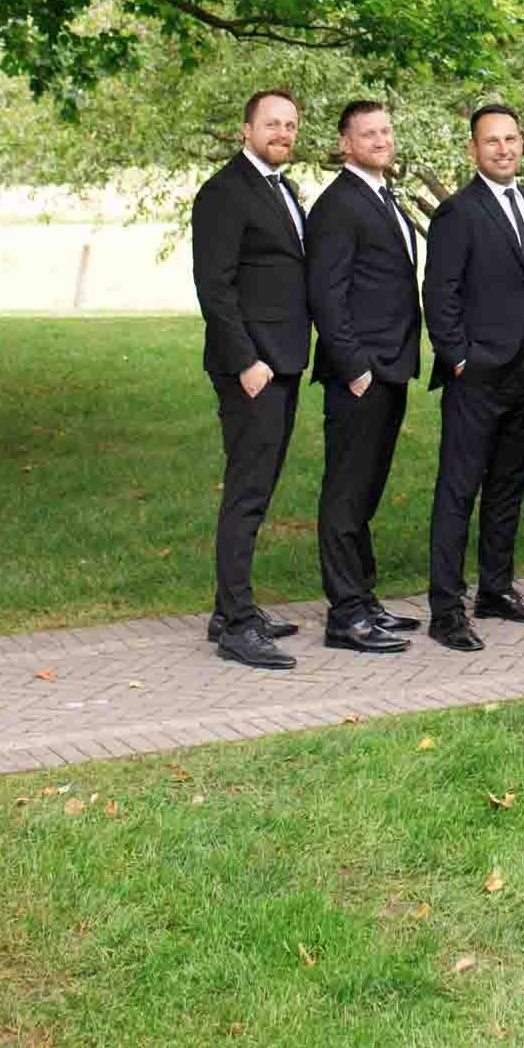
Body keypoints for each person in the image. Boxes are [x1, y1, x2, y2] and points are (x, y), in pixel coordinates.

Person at [421, 104, 524, 652]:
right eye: (491, 141)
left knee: (508, 486)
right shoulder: (459, 212)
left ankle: (496, 590)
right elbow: (440, 291)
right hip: (476, 374)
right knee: (459, 490)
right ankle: (446, 609)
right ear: (474, 150)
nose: (504, 149)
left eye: (511, 139)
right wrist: (458, 357)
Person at [191, 89, 311, 672]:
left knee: (258, 492)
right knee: (245, 495)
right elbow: (214, 287)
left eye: (290, 125)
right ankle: (237, 627)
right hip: (252, 371)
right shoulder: (223, 193)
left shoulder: (283, 189)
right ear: (246, 129)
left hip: (284, 362)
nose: (282, 133)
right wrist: (247, 362)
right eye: (272, 124)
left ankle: (229, 607)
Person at [304, 100, 422, 654]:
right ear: (345, 144)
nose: (381, 139)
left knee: (367, 491)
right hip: (361, 373)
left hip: (390, 367)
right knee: (346, 493)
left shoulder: (382, 195)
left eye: (386, 130)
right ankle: (344, 615)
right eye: (368, 133)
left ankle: (365, 598)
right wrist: (354, 369)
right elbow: (326, 296)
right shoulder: (337, 205)